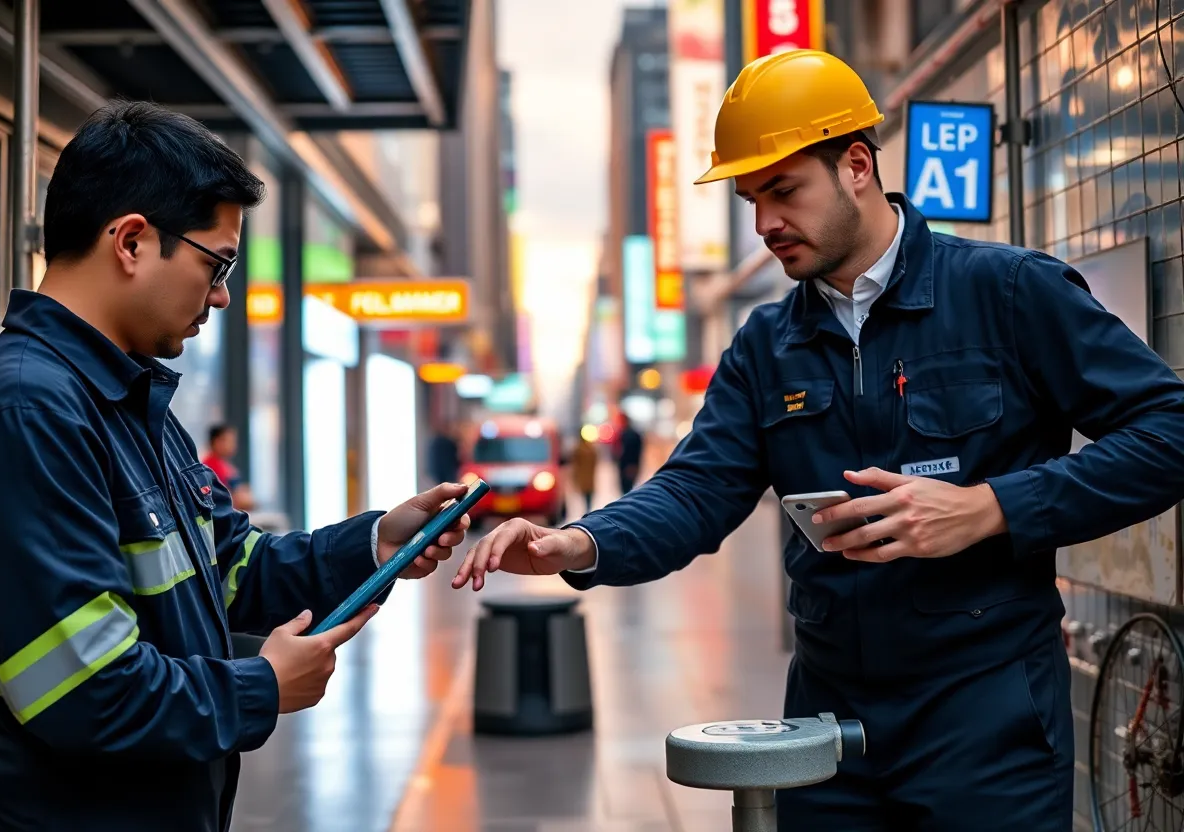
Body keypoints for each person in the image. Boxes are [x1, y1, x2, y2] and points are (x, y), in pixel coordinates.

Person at [452, 50, 1184, 830]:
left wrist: (990, 507)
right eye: (751, 199)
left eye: (783, 191)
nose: (765, 222)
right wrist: (581, 543)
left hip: (989, 725)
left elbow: (1167, 431)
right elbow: (697, 490)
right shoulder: (766, 346)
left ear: (857, 166)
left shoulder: (1006, 294)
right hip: (830, 734)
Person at [0, 101, 469, 832]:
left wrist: (378, 543)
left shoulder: (125, 400)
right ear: (132, 241)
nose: (222, 293)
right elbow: (86, 691)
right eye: (217, 261)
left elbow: (229, 568)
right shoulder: (30, 411)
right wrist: (259, 686)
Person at [201, 422, 255, 511]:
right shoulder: (209, 466)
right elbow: (234, 499)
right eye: (228, 441)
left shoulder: (225, 465)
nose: (233, 445)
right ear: (216, 441)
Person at [613, 414, 643, 494]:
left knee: (627, 489)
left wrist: (632, 466)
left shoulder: (630, 435)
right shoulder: (624, 434)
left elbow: (635, 452)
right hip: (626, 466)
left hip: (628, 466)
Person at [570, 434, 599, 514]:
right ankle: (588, 509)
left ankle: (587, 509)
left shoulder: (579, 449)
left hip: (584, 476)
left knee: (586, 496)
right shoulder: (590, 449)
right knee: (588, 496)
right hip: (588, 476)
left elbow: (575, 463)